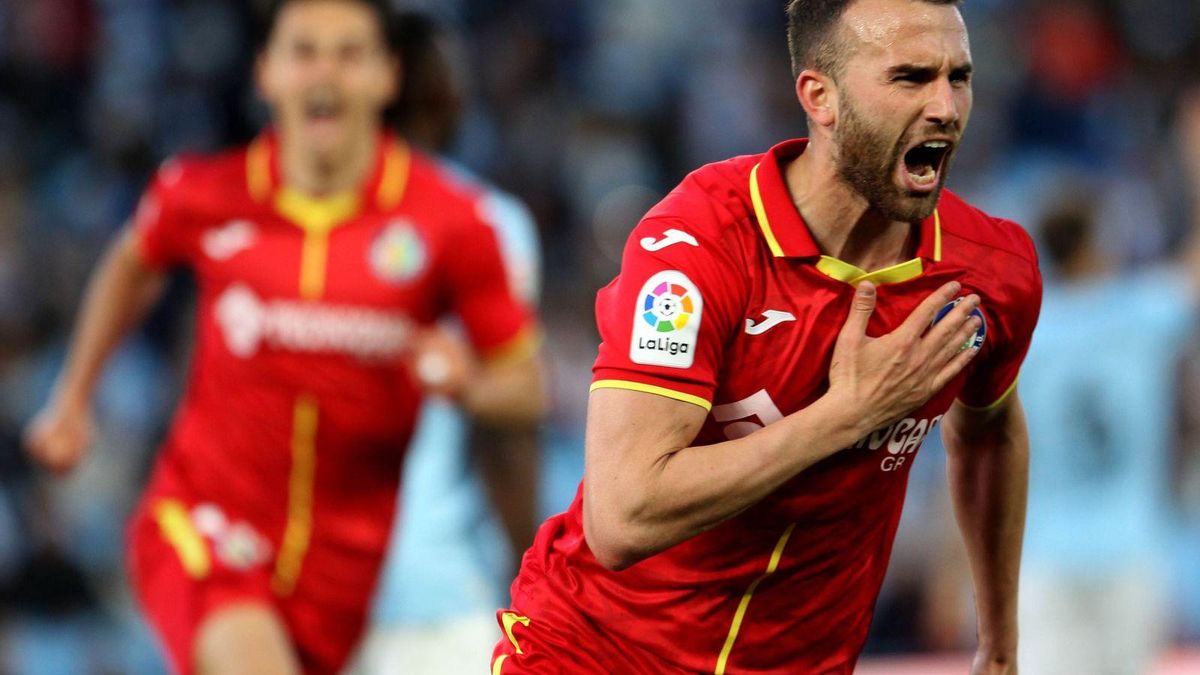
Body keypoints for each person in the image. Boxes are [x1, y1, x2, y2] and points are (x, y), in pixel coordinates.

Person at [493, 0, 1041, 673]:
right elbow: (623, 517)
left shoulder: (991, 270)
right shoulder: (698, 244)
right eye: (910, 78)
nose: (946, 107)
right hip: (597, 652)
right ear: (821, 97)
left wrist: (1001, 644)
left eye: (959, 77)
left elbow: (990, 431)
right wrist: (846, 415)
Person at [22, 1, 545, 673]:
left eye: (348, 54)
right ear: (265, 72)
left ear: (388, 76)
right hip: (212, 526)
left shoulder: (460, 224)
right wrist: (73, 396)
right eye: (303, 51)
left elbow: (525, 391)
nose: (324, 72)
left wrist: (467, 383)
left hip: (355, 574)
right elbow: (134, 261)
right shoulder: (207, 194)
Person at [351, 12, 543, 675]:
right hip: (437, 596)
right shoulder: (488, 224)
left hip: (305, 589)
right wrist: (534, 596)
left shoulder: (281, 221)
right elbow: (509, 437)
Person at [1014, 93, 1200, 675]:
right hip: (1132, 550)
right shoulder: (1142, 312)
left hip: (1043, 555)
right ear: (1096, 242)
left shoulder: (1023, 334)